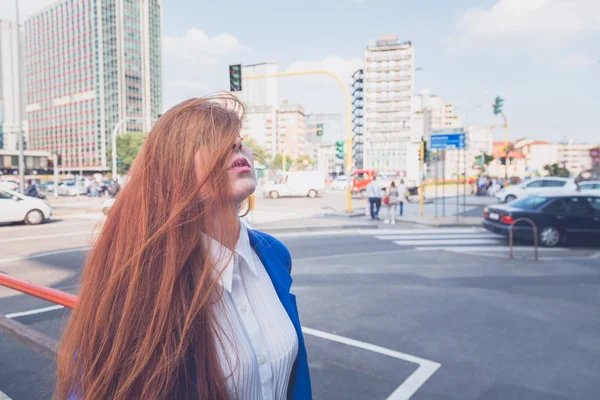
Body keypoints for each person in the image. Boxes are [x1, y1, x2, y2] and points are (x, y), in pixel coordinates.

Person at [55, 95, 312, 400]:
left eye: (239, 138)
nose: (234, 144)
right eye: (209, 139)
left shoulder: (274, 254)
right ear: (171, 170)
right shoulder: (142, 274)